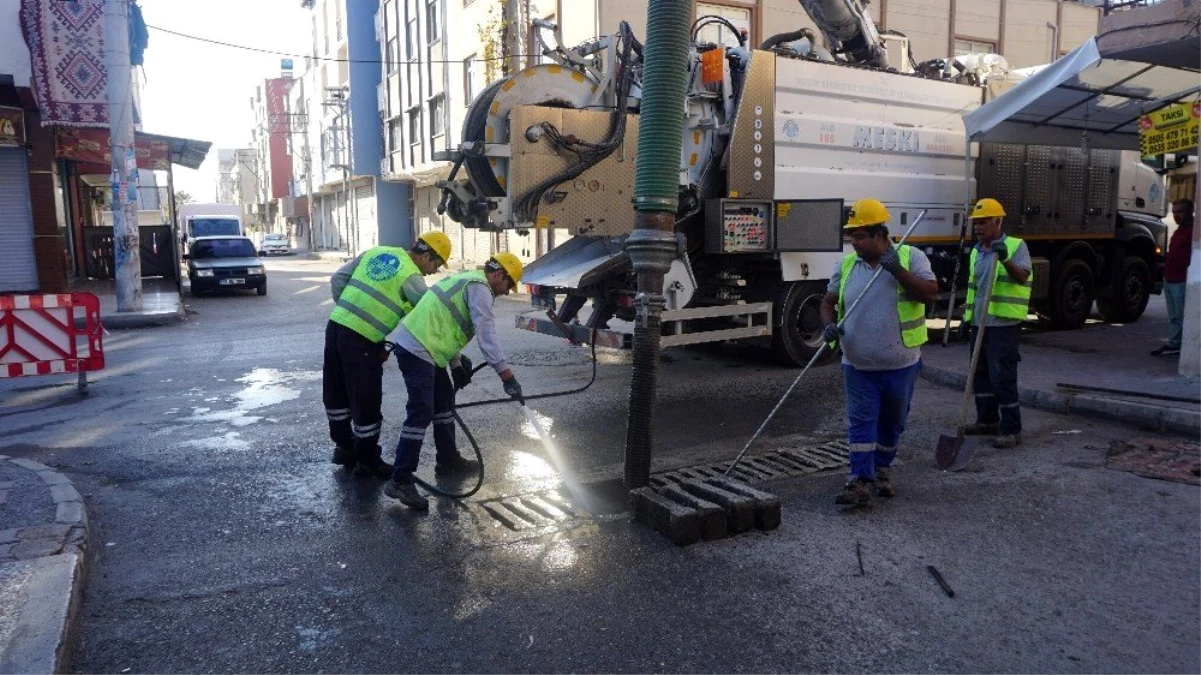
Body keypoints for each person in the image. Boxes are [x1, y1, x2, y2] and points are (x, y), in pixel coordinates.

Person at [384, 253, 526, 510]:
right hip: (418, 348)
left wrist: (456, 363)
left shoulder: (466, 280)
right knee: (421, 412)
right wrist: (507, 376)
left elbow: (444, 322)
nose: (507, 292)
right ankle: (400, 480)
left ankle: (448, 459)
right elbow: (487, 337)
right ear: (498, 275)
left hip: (426, 348)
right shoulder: (479, 289)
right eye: (509, 285)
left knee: (444, 403)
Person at [820, 198, 939, 506]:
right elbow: (828, 302)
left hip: (901, 364)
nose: (854, 243)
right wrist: (828, 325)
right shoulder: (846, 264)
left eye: (860, 236)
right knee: (861, 421)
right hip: (858, 365)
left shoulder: (912, 257)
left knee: (892, 422)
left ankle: (882, 471)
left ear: (879, 235)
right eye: (852, 237)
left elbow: (929, 294)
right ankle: (859, 480)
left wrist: (897, 271)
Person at [323, 232, 452, 477]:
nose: (434, 271)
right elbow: (428, 317)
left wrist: (347, 312)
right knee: (366, 399)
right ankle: (367, 460)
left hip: (336, 326)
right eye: (436, 264)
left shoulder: (376, 251)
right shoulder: (411, 278)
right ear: (425, 256)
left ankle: (344, 447)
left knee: (336, 391)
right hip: (362, 341)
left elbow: (337, 279)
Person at [961, 197, 1032, 449]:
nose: (978, 227)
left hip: (1003, 324)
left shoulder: (1015, 246)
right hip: (979, 323)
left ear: (998, 221)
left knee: (1002, 376)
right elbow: (975, 290)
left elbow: (1023, 277)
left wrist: (1005, 260)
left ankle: (1012, 429)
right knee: (979, 374)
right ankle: (987, 420)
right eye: (976, 223)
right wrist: (966, 319)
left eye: (983, 222)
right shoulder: (977, 251)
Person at [1153, 199, 1194, 357]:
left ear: (1189, 212)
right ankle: (1174, 343)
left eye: (1180, 211)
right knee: (1174, 315)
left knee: (1179, 315)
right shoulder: (1178, 232)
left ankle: (1177, 344)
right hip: (1171, 279)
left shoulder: (1192, 232)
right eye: (1175, 211)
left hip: (1181, 280)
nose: (1177, 215)